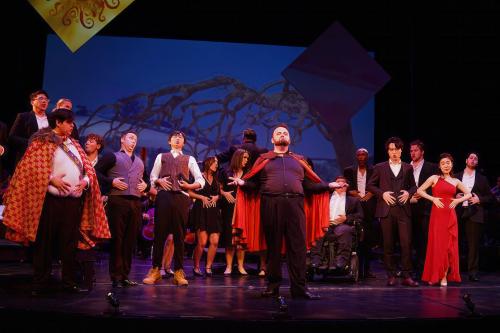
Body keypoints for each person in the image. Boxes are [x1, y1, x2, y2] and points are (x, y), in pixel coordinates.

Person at [2, 108, 110, 295]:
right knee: (44, 242)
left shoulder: (75, 145)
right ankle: (40, 282)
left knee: (68, 243)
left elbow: (89, 171)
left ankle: (68, 282)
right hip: (50, 201)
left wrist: (84, 182)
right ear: (58, 122)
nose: (72, 125)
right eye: (68, 122)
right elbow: (30, 167)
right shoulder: (42, 141)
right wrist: (51, 178)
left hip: (72, 203)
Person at [230, 124, 341, 299]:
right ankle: (272, 286)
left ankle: (299, 288)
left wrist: (328, 185)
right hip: (271, 204)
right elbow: (254, 185)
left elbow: (309, 185)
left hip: (295, 205)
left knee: (297, 248)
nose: (282, 135)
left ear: (289, 139)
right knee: (273, 247)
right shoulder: (263, 159)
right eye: (278, 133)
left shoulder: (299, 160)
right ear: (273, 139)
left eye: (285, 133)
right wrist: (243, 183)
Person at [142, 130, 204, 286]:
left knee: (179, 235)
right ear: (169, 141)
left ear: (183, 143)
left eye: (181, 138)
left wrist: (190, 185)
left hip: (182, 197)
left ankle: (178, 271)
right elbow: (153, 177)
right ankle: (156, 270)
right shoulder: (161, 157)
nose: (178, 139)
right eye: (175, 138)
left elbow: (200, 180)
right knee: (160, 234)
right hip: (164, 196)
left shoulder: (189, 159)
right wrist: (158, 181)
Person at [95, 131, 150, 287]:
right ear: (122, 140)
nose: (133, 141)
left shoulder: (139, 161)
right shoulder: (112, 156)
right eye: (130, 138)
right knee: (117, 239)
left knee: (130, 240)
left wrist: (146, 186)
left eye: (135, 139)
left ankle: (124, 275)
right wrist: (111, 181)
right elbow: (96, 172)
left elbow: (146, 180)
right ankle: (115, 276)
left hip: (135, 203)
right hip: (118, 201)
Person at [367, 137, 419, 287]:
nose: (394, 152)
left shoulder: (407, 168)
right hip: (386, 211)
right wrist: (382, 194)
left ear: (401, 150)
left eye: (396, 149)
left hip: (403, 211)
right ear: (388, 151)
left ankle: (407, 276)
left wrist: (408, 193)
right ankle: (391, 275)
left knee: (406, 244)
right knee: (388, 245)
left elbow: (414, 186)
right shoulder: (380, 167)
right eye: (391, 150)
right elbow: (371, 185)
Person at [416, 153, 471, 286]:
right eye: (443, 163)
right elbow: (420, 190)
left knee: (448, 247)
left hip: (450, 216)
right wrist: (433, 199)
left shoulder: (456, 181)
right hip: (437, 216)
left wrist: (458, 200)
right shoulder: (434, 178)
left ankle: (444, 276)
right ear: (440, 167)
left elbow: (469, 194)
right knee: (436, 246)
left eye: (448, 163)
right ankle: (434, 275)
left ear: (451, 164)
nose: (446, 165)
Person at [310, 175, 363, 271]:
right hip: (326, 224)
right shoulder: (326, 198)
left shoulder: (353, 200)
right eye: (338, 182)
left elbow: (360, 216)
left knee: (343, 230)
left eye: (343, 183)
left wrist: (346, 218)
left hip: (342, 225)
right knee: (318, 231)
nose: (341, 185)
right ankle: (316, 259)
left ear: (347, 186)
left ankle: (341, 260)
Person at [455, 152, 493, 282]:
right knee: (456, 243)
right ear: (466, 160)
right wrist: (455, 197)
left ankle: (472, 272)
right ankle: (455, 271)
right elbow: (448, 193)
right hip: (459, 212)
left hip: (475, 213)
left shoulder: (482, 179)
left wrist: (479, 199)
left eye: (475, 158)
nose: (473, 160)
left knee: (473, 245)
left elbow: (490, 197)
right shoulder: (457, 176)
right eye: (471, 157)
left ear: (477, 163)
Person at [219, 149, 254, 276]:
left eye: (247, 158)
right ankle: (228, 266)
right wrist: (224, 193)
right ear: (238, 158)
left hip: (243, 208)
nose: (246, 160)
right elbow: (219, 188)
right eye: (244, 157)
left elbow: (252, 189)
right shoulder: (225, 172)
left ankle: (240, 266)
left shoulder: (248, 173)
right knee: (229, 238)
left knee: (240, 239)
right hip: (229, 208)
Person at [344, 147, 377, 278]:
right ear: (356, 157)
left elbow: (378, 185)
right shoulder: (349, 170)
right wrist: (350, 191)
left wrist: (371, 193)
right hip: (355, 206)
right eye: (359, 155)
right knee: (356, 238)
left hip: (369, 207)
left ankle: (367, 269)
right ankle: (354, 268)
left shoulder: (374, 170)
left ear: (367, 157)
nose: (361, 157)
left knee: (368, 239)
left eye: (364, 155)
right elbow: (345, 186)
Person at [408, 140, 439, 276]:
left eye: (415, 150)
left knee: (423, 239)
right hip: (407, 208)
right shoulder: (405, 167)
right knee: (408, 239)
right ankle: (409, 268)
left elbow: (436, 187)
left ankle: (422, 267)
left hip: (425, 209)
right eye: (411, 150)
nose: (413, 153)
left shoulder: (431, 167)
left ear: (422, 152)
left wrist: (422, 194)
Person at [189, 156, 221, 277]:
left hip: (214, 211)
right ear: (208, 163)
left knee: (215, 241)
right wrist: (201, 197)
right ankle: (196, 267)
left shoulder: (216, 178)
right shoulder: (199, 177)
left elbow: (219, 193)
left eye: (217, 163)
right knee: (202, 242)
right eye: (214, 162)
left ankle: (208, 267)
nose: (216, 165)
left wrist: (217, 197)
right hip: (201, 211)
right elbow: (190, 192)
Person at [8, 90, 51, 167]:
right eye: (41, 98)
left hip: (47, 158)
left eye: (46, 99)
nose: (44, 101)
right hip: (28, 157)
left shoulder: (51, 119)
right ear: (32, 102)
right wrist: (30, 142)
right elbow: (12, 136)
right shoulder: (23, 117)